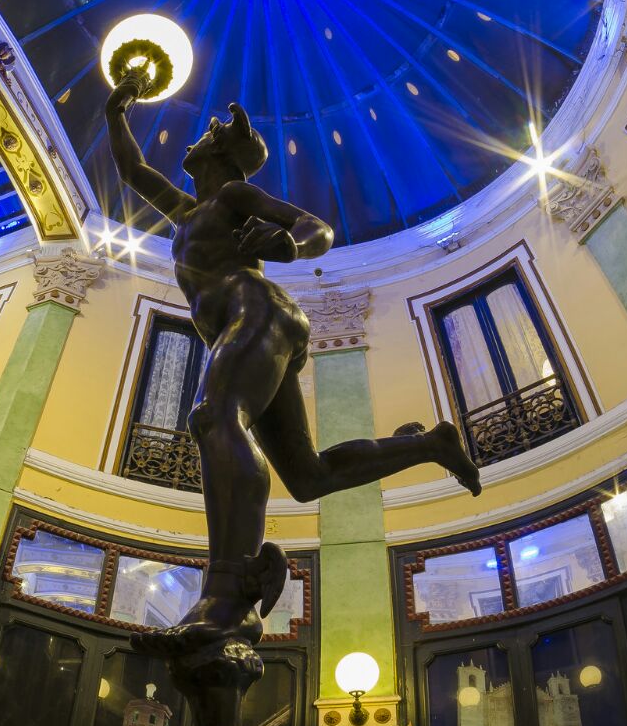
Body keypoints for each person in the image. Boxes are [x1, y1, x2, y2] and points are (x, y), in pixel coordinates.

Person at [104, 81, 482, 658]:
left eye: (206, 135)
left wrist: (287, 246)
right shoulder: (184, 210)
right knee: (307, 479)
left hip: (257, 310)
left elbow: (318, 230)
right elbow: (131, 169)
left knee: (214, 415)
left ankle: (227, 594)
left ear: (220, 155)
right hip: (250, 325)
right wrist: (115, 111)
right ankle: (429, 445)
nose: (193, 140)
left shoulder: (232, 196)